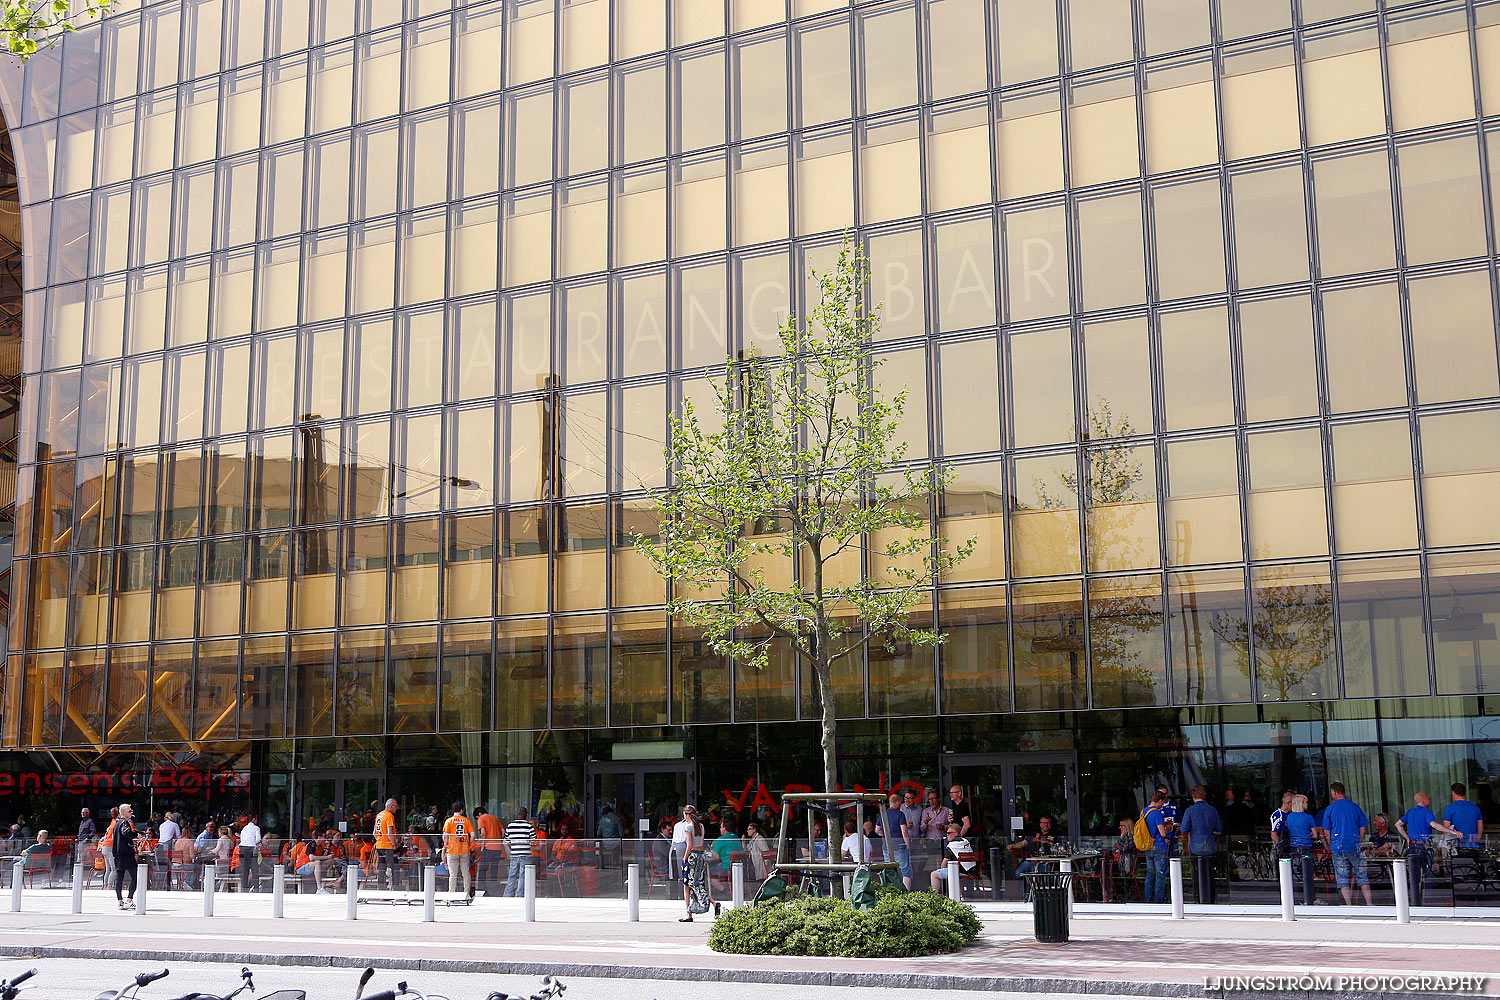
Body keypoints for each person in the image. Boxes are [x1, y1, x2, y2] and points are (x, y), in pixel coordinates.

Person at [1318, 782, 1371, 906]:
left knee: (1342, 876)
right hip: (1353, 844)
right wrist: (1359, 841)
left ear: (1334, 793)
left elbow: (1326, 831)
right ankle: (1369, 903)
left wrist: (1329, 845)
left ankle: (1348, 904)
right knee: (1361, 874)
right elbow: (1363, 828)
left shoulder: (1330, 808)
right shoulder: (1355, 807)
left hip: (1337, 845)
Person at [1179, 785, 1222, 904]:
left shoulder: (1190, 811)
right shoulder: (1212, 810)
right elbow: (1219, 829)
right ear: (1205, 796)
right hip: (1210, 846)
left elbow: (1184, 830)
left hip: (1195, 846)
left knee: (1196, 874)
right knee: (1210, 874)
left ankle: (1198, 898)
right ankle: (1210, 899)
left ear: (1193, 797)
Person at [1397, 791, 1441, 906]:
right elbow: (1434, 825)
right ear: (1423, 800)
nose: (1429, 800)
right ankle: (1428, 902)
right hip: (1425, 846)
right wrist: (1451, 831)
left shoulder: (1410, 812)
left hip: (1412, 846)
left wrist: (1407, 837)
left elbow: (1398, 824)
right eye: (1428, 798)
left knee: (1414, 877)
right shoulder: (1427, 812)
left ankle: (1415, 904)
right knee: (1428, 874)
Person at [676, 806, 710, 922]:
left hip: (692, 856)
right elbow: (702, 843)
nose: (683, 817)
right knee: (698, 882)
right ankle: (709, 903)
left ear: (688, 815)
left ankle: (689, 912)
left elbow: (689, 846)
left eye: (684, 814)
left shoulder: (688, 827)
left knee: (687, 884)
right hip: (701, 855)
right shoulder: (701, 826)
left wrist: (684, 858)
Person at [1285, 794, 1319, 906]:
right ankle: (1309, 899)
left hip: (1294, 847)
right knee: (1308, 874)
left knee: (1295, 873)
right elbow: (1315, 835)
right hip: (1306, 847)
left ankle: (1295, 899)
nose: (1307, 804)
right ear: (1301, 803)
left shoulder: (1289, 817)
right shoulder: (1308, 817)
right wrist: (1307, 834)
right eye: (1306, 802)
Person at [929, 822, 977, 892]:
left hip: (960, 873)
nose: (947, 835)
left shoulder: (952, 846)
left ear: (956, 833)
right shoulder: (966, 841)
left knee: (934, 874)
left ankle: (935, 897)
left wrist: (942, 871)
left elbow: (943, 864)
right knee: (955, 870)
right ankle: (961, 895)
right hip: (972, 871)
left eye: (949, 833)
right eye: (947, 833)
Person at [1143, 790, 1172, 904]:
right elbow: (1163, 833)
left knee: (1150, 874)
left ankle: (1148, 900)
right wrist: (1169, 827)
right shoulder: (1157, 813)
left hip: (1148, 847)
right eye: (1162, 803)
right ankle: (1159, 902)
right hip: (1159, 847)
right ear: (1159, 801)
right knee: (1160, 875)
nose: (1162, 806)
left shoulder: (1144, 811)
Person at [881, 792, 913, 890]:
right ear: (898, 802)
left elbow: (877, 829)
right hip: (899, 846)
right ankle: (906, 893)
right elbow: (904, 831)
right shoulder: (900, 814)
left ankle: (890, 892)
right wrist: (908, 845)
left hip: (886, 847)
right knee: (905, 870)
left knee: (889, 870)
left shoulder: (883, 814)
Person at [441, 801, 473, 896]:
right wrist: (468, 844)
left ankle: (451, 894)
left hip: (452, 850)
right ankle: (466, 893)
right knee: (465, 873)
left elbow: (445, 835)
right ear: (461, 810)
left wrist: (446, 845)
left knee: (453, 874)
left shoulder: (449, 821)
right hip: (464, 850)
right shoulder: (466, 820)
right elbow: (473, 834)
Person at [1439, 782, 1485, 847]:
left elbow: (1445, 828)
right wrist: (1477, 840)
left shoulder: (1450, 808)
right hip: (1472, 842)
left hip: (1456, 843)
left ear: (1453, 793)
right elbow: (1480, 828)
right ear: (1464, 793)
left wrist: (1445, 843)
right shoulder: (1475, 807)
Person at [111, 804, 139, 910]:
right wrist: (135, 835)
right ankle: (129, 899)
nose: (131, 812)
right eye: (129, 810)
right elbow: (126, 833)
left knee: (119, 877)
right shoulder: (124, 822)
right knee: (135, 876)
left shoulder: (117, 823)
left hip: (118, 854)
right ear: (122, 812)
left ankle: (120, 901)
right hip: (126, 853)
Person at [504, 808, 536, 897]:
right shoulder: (529, 825)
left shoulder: (510, 826)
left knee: (512, 875)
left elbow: (507, 841)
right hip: (525, 854)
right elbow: (533, 840)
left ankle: (508, 894)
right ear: (525, 815)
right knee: (523, 876)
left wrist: (513, 848)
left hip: (514, 854)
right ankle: (519, 895)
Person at [474, 806, 503, 891]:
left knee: (483, 869)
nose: (478, 819)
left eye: (477, 817)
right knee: (494, 869)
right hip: (498, 847)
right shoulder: (495, 818)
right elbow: (503, 832)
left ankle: (480, 889)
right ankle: (493, 889)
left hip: (489, 847)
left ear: (479, 814)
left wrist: (482, 845)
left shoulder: (482, 819)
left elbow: (483, 833)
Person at [373, 799, 400, 890]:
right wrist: (394, 844)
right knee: (394, 867)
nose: (396, 808)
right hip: (388, 846)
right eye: (395, 806)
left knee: (382, 868)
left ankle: (381, 888)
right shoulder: (389, 815)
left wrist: (379, 840)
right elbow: (390, 832)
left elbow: (374, 832)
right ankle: (395, 888)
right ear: (391, 806)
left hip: (379, 845)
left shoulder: (379, 815)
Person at [238, 814, 262, 892]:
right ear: (254, 819)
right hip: (251, 848)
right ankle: (255, 887)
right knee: (254, 869)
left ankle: (244, 887)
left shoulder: (244, 829)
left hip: (242, 848)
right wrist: (253, 843)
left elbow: (242, 839)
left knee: (244, 869)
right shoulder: (256, 828)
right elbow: (258, 839)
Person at [1269, 790, 1294, 861]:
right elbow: (1274, 834)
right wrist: (1280, 848)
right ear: (1289, 803)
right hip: (1282, 847)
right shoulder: (1278, 815)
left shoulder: (1291, 815)